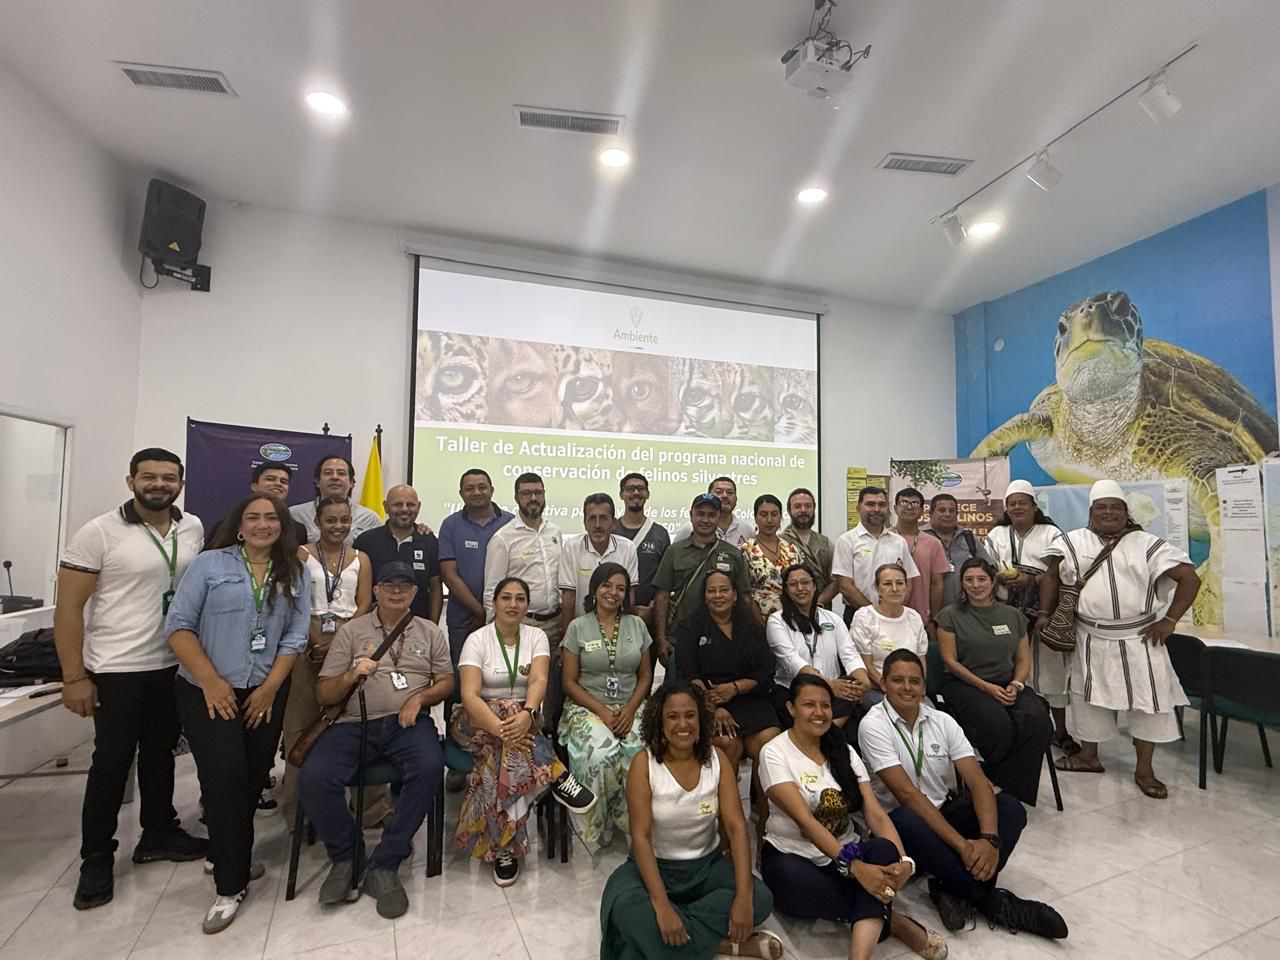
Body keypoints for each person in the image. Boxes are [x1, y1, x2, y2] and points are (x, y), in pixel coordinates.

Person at [54, 447, 209, 910]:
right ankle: (96, 858)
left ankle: (158, 832)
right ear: (131, 481)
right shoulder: (98, 532)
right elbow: (68, 609)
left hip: (172, 664)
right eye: (149, 477)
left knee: (161, 754)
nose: (159, 484)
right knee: (112, 763)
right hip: (116, 667)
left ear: (180, 483)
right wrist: (73, 677)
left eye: (168, 477)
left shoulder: (192, 527)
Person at [165, 493, 310, 934]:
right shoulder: (210, 565)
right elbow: (178, 626)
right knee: (224, 776)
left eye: (272, 518)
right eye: (254, 517)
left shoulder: (294, 571)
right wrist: (210, 681)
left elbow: (295, 636)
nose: (264, 524)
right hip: (209, 690)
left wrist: (269, 690)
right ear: (240, 525)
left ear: (282, 526)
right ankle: (230, 886)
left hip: (264, 691)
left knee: (251, 777)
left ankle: (228, 852)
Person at [858, 650, 1067, 939]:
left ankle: (951, 886)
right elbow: (907, 794)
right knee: (907, 818)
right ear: (883, 684)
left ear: (923, 686)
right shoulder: (873, 725)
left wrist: (989, 840)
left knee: (1010, 807)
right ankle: (989, 901)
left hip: (942, 813)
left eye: (914, 681)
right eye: (898, 680)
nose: (907, 688)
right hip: (899, 829)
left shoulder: (941, 720)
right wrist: (963, 846)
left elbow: (978, 782)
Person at [301, 562, 454, 918]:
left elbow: (446, 681)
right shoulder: (352, 632)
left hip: (408, 724)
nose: (397, 591)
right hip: (354, 724)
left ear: (415, 593)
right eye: (389, 585)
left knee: (430, 767)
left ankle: (386, 862)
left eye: (405, 585)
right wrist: (350, 675)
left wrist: (420, 698)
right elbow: (324, 692)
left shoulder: (430, 631)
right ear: (376, 591)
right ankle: (347, 857)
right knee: (314, 777)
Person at [760, 675, 946, 960]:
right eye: (809, 704)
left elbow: (875, 813)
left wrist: (904, 861)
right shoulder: (774, 752)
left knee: (884, 849)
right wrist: (856, 868)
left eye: (825, 705)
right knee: (794, 884)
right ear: (791, 708)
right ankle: (894, 921)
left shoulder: (843, 751)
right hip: (794, 854)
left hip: (848, 849)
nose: (819, 712)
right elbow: (806, 822)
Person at [1041, 479, 1201, 799]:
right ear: (1091, 512)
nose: (1109, 512)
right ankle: (1089, 756)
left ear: (1126, 512)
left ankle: (1145, 770)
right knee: (1087, 699)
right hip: (1090, 637)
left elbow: (1189, 578)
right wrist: (1045, 613)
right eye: (1101, 507)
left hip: (1139, 638)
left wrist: (1169, 621)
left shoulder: (1147, 543)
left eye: (1116, 507)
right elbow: (1051, 576)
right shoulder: (1072, 542)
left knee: (1148, 703)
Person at [599, 682, 780, 960]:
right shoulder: (643, 764)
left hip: (706, 868)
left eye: (690, 715)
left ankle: (668, 939)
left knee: (760, 898)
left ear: (702, 719)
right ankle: (723, 945)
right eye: (672, 716)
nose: (682, 724)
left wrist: (744, 898)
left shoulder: (717, 759)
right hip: (653, 869)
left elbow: (736, 828)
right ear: (659, 721)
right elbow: (641, 838)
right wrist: (662, 907)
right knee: (624, 910)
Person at [453, 576, 596, 886]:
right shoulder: (477, 639)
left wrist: (528, 713)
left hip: (524, 722)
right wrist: (505, 728)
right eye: (506, 597)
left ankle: (504, 849)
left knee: (501, 761)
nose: (513, 604)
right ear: (494, 603)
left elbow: (539, 681)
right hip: (477, 722)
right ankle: (556, 775)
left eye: (520, 599)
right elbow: (469, 696)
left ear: (528, 605)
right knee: (506, 709)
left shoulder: (536, 637)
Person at [279, 496, 374, 824]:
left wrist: (341, 643)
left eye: (344, 520)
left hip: (350, 639)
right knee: (300, 723)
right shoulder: (301, 554)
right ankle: (298, 813)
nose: (338, 526)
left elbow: (364, 603)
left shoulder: (361, 558)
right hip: (307, 639)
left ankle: (368, 810)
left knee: (356, 721)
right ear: (317, 522)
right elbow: (294, 602)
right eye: (331, 520)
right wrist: (315, 639)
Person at [934, 558, 1051, 806]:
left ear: (992, 582)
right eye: (969, 580)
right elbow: (950, 661)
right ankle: (992, 783)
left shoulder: (1012, 615)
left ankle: (1004, 785)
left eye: (982, 579)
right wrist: (985, 687)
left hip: (1009, 682)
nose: (976, 585)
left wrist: (1016, 685)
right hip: (965, 684)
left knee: (1038, 720)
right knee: (998, 725)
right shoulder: (950, 616)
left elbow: (1023, 659)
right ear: (962, 584)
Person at [559, 562, 652, 849]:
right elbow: (569, 682)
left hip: (631, 705)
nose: (613, 592)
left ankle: (631, 820)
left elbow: (646, 675)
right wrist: (602, 711)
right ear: (595, 589)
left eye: (621, 588)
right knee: (601, 753)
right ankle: (599, 822)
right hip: (587, 706)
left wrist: (630, 709)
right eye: (607, 585)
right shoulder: (578, 627)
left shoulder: (637, 625)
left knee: (638, 752)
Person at [983, 481, 1075, 754]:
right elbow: (986, 566)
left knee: (1052, 672)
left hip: (1043, 614)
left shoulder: (1052, 534)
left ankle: (1060, 731)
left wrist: (1031, 579)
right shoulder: (997, 534)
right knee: (1010, 671)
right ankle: (1019, 729)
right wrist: (1000, 577)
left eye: (1023, 503)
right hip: (1005, 614)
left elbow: (1061, 570)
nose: (1017, 508)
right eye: (1012, 504)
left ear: (1034, 506)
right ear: (1006, 508)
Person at [674, 571, 780, 781]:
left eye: (723, 590)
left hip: (750, 699)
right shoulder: (690, 627)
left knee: (769, 744)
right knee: (728, 743)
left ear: (735, 595)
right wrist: (713, 708)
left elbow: (766, 669)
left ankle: (762, 802)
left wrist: (735, 688)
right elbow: (689, 675)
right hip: (707, 702)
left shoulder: (752, 626)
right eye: (711, 591)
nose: (718, 595)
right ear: (704, 596)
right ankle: (728, 802)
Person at [482, 472, 565, 726]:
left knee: (552, 687)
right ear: (517, 497)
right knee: (523, 686)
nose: (533, 498)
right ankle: (523, 734)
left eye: (538, 492)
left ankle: (548, 737)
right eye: (527, 493)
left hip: (556, 622)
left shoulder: (555, 532)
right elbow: (492, 590)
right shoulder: (503, 538)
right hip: (522, 624)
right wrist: (495, 633)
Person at [652, 493, 756, 667]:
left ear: (719, 517)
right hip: (681, 639)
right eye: (700, 514)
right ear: (691, 515)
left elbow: (745, 597)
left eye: (711, 515)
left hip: (724, 640)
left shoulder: (733, 554)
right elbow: (662, 596)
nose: (705, 520)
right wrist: (661, 638)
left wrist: (749, 634)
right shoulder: (674, 551)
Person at [765, 564, 866, 728]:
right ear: (786, 590)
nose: (800, 588)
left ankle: (823, 735)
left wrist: (863, 682)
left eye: (805, 582)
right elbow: (792, 660)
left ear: (814, 586)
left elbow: (850, 654)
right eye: (793, 584)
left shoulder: (833, 619)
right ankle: (826, 736)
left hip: (833, 693)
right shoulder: (776, 621)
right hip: (793, 691)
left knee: (850, 699)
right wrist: (828, 684)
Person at [437, 468, 513, 662]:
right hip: (464, 619)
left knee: (503, 671)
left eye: (482, 487)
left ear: (492, 490)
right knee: (463, 671)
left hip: (505, 615)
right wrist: (480, 611)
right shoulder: (450, 525)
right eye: (470, 488)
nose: (477, 492)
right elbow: (449, 575)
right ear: (461, 493)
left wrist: (491, 612)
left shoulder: (511, 523)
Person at [354, 483, 443, 623]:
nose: (405, 509)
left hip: (418, 626)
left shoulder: (430, 542)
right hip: (372, 626)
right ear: (385, 507)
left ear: (419, 506)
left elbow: (435, 588)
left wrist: (433, 626)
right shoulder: (366, 541)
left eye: (410, 505)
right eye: (398, 504)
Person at [832, 487, 919, 628]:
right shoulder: (847, 541)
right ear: (858, 508)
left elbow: (908, 580)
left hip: (894, 615)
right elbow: (845, 585)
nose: (877, 509)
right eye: (870, 504)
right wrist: (874, 614)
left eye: (882, 504)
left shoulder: (898, 541)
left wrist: (895, 608)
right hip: (857, 614)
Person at [559, 492, 639, 638]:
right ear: (584, 523)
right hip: (581, 630)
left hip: (617, 630)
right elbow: (568, 597)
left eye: (603, 518)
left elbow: (630, 595)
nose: (597, 525)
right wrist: (566, 638)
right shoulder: (571, 547)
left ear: (613, 523)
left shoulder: (628, 548)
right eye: (591, 519)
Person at [850, 564, 929, 707]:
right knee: (902, 712)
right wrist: (892, 689)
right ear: (877, 588)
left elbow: (920, 661)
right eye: (887, 584)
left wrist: (920, 690)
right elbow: (866, 665)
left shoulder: (914, 617)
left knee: (932, 716)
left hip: (911, 690)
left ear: (906, 587)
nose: (894, 589)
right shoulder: (864, 617)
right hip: (878, 689)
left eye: (899, 583)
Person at [204, 461, 308, 549]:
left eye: (283, 481)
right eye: (270, 479)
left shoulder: (298, 530)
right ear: (255, 486)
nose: (278, 484)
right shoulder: (228, 525)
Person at [614, 472, 672, 630]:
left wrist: (654, 608)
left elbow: (665, 580)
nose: (636, 493)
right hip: (612, 612)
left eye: (640, 489)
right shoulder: (611, 530)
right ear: (621, 494)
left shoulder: (660, 534)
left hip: (648, 617)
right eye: (630, 489)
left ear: (647, 494)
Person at [289, 455, 383, 545]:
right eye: (328, 473)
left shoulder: (370, 519)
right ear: (317, 481)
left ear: (352, 483)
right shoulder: (295, 515)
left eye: (341, 473)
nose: (335, 477)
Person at [892, 488, 949, 634]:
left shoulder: (933, 543)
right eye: (904, 503)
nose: (909, 507)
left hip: (921, 620)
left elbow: (937, 584)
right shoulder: (883, 539)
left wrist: (933, 619)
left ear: (922, 511)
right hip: (886, 615)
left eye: (915, 503)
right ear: (895, 508)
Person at [922, 494, 991, 610]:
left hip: (967, 610)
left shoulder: (968, 537)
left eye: (951, 511)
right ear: (930, 513)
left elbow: (988, 568)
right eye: (942, 510)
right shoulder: (920, 537)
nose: (947, 514)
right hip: (927, 610)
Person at [740, 494, 801, 618]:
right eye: (763, 514)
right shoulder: (745, 550)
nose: (769, 520)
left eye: (774, 514)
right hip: (756, 617)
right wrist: (759, 623)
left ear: (780, 518)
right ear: (755, 518)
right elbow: (743, 593)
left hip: (791, 617)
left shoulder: (791, 550)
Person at [781, 487, 837, 607]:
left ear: (814, 508)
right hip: (787, 608)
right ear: (789, 510)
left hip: (820, 609)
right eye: (797, 506)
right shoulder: (780, 542)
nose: (803, 510)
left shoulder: (825, 543)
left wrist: (817, 604)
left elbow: (835, 582)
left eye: (808, 506)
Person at [673, 476, 754, 547]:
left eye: (730, 492)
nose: (725, 496)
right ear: (709, 496)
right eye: (719, 492)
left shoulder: (747, 530)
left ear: (736, 499)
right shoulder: (690, 529)